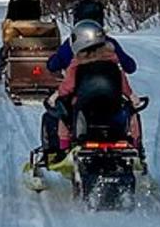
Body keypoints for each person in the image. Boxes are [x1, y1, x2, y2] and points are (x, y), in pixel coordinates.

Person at [40, 20, 141, 164]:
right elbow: (122, 83)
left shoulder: (77, 63)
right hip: (111, 106)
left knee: (61, 115)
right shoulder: (113, 59)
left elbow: (67, 87)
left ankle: (63, 149)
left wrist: (55, 96)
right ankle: (137, 147)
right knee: (132, 114)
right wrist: (131, 96)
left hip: (83, 108)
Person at [46, 0, 136, 74]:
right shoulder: (110, 43)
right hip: (110, 91)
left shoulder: (71, 44)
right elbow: (130, 67)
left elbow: (53, 65)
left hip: (81, 92)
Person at [0, 0, 42, 80]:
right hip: (33, 28)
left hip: (17, 29)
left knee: (4, 48)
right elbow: (38, 14)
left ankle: (2, 67)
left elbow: (9, 15)